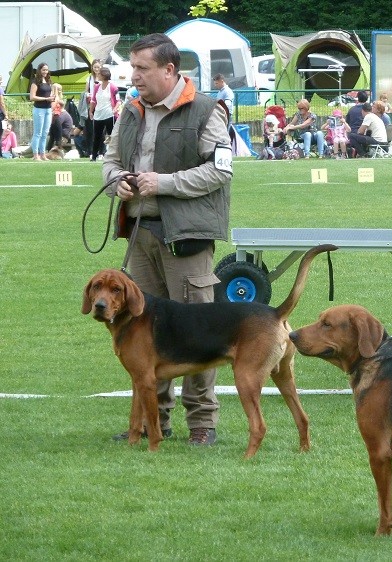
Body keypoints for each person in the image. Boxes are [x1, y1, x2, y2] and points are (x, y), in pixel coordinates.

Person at [103, 32, 232, 446]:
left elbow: (220, 171)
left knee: (197, 331)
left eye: (141, 68)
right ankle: (152, 422)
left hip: (186, 238)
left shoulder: (209, 110)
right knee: (141, 332)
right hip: (139, 235)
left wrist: (165, 183)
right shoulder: (130, 109)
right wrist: (116, 182)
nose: (133, 75)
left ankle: (202, 423)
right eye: (133, 67)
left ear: (168, 69)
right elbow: (109, 160)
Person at [89, 66, 120, 161]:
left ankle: (114, 155)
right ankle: (94, 156)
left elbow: (118, 101)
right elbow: (93, 100)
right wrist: (91, 111)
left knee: (112, 135)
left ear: (104, 75)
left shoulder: (113, 87)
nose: (98, 75)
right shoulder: (97, 87)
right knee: (97, 136)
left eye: (99, 74)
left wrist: (115, 109)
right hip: (98, 114)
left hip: (109, 114)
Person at [29, 62, 55, 161]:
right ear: (39, 70)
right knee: (38, 133)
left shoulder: (48, 81)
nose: (45, 71)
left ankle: (43, 154)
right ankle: (36, 155)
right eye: (43, 70)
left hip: (48, 110)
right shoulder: (35, 82)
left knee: (45, 133)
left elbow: (50, 93)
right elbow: (32, 97)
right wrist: (45, 99)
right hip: (39, 109)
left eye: (46, 70)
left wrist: (52, 98)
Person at [80, 59, 103, 154]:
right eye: (95, 67)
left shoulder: (103, 78)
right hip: (91, 105)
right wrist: (88, 95)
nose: (96, 69)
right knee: (89, 129)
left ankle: (101, 151)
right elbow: (86, 91)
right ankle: (90, 151)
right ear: (92, 68)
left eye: (98, 67)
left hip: (101, 106)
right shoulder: (89, 78)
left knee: (101, 129)